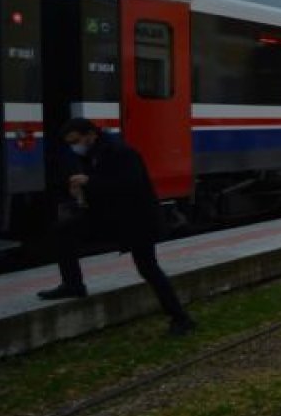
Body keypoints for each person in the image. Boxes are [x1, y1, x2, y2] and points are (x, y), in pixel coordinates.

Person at [37, 118, 196, 337]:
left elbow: (128, 184)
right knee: (63, 231)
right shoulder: (91, 153)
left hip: (138, 220)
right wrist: (78, 191)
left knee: (148, 268)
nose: (74, 146)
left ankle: (181, 318)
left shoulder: (120, 152)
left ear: (90, 134)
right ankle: (73, 284)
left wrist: (88, 182)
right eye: (70, 143)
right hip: (111, 218)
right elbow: (99, 185)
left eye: (76, 140)